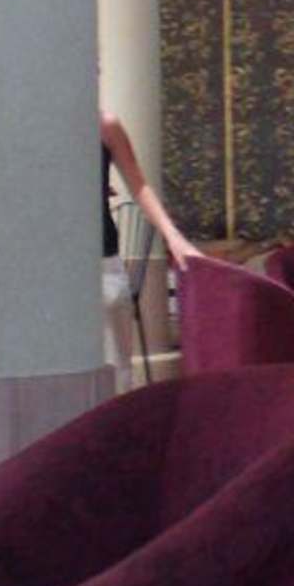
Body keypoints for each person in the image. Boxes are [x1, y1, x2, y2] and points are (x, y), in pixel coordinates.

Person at [100, 112, 198, 391]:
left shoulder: (105, 125)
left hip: (101, 260)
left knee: (115, 374)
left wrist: (173, 236)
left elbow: (139, 184)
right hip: (50, 264)